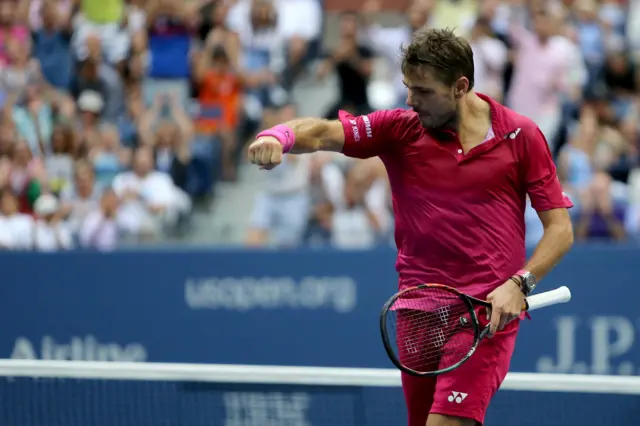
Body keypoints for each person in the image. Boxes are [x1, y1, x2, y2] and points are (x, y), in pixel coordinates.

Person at [247, 28, 574, 426]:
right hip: (417, 311)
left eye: (422, 91)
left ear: (460, 86)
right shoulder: (400, 128)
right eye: (407, 87)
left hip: (484, 315)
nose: (410, 100)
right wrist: (276, 135)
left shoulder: (521, 136)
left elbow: (560, 229)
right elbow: (320, 133)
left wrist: (520, 283)